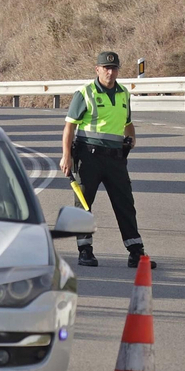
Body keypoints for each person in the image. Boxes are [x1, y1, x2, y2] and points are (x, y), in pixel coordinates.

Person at [60, 51, 153, 268]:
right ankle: (85, 251)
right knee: (83, 205)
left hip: (115, 159)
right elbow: (70, 126)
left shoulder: (123, 94)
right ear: (98, 69)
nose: (110, 72)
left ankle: (135, 251)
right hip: (88, 156)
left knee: (125, 204)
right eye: (106, 68)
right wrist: (66, 156)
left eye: (114, 68)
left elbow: (127, 122)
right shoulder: (85, 93)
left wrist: (132, 138)